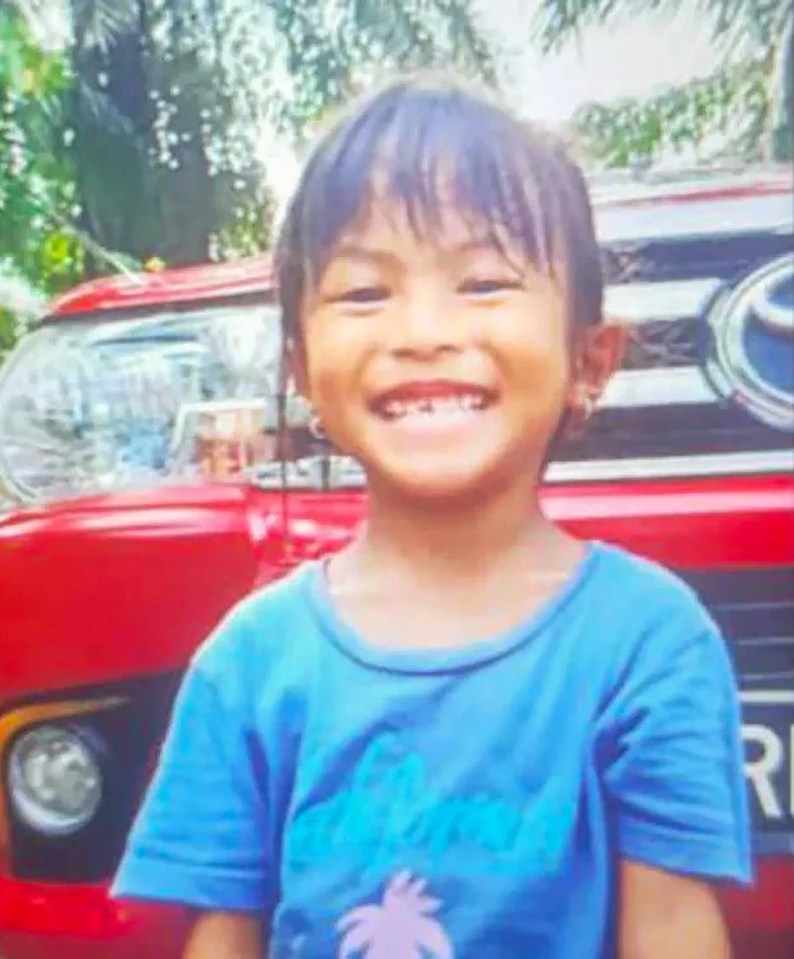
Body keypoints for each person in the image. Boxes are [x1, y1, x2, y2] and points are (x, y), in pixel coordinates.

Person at [112, 72, 752, 959]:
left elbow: (675, 931)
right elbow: (219, 936)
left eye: (485, 282)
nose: (422, 330)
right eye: (365, 293)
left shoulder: (648, 642)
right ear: (302, 370)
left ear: (590, 359)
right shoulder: (249, 661)